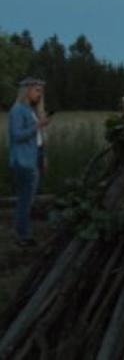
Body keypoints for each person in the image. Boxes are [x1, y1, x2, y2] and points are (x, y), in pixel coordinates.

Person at [7, 77, 51, 248]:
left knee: (28, 199)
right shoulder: (18, 110)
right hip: (23, 160)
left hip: (34, 157)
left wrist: (43, 155)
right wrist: (38, 126)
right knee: (25, 200)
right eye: (37, 90)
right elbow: (17, 136)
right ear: (27, 90)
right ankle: (22, 236)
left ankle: (24, 232)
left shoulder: (29, 110)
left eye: (41, 91)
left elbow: (37, 139)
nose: (39, 95)